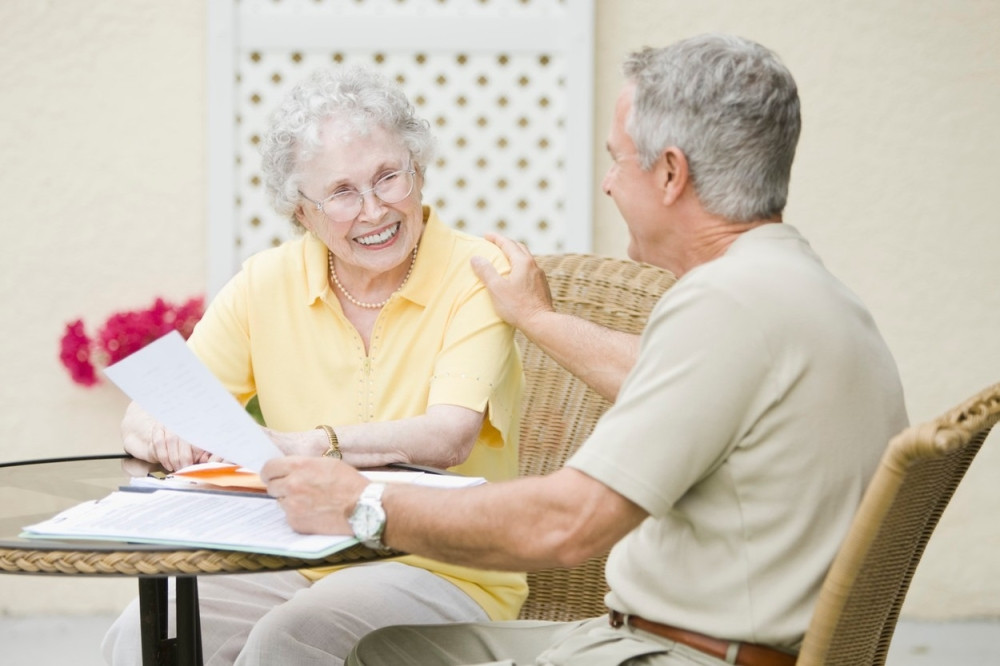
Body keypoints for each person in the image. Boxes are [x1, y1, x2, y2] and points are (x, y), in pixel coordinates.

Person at [261, 34, 910, 666]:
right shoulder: (798, 291)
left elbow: (564, 524)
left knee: (314, 644)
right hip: (680, 638)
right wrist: (537, 318)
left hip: (674, 653)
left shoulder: (727, 307)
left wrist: (363, 504)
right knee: (367, 649)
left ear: (670, 174)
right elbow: (666, 378)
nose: (606, 185)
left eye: (616, 160)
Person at [101, 65, 526, 665]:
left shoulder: (478, 273)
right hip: (303, 557)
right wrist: (162, 429)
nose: (374, 210)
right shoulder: (266, 281)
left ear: (419, 172)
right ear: (302, 212)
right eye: (342, 192)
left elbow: (449, 435)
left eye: (388, 177)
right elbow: (145, 412)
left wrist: (308, 446)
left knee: (292, 637)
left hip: (446, 564)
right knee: (145, 631)